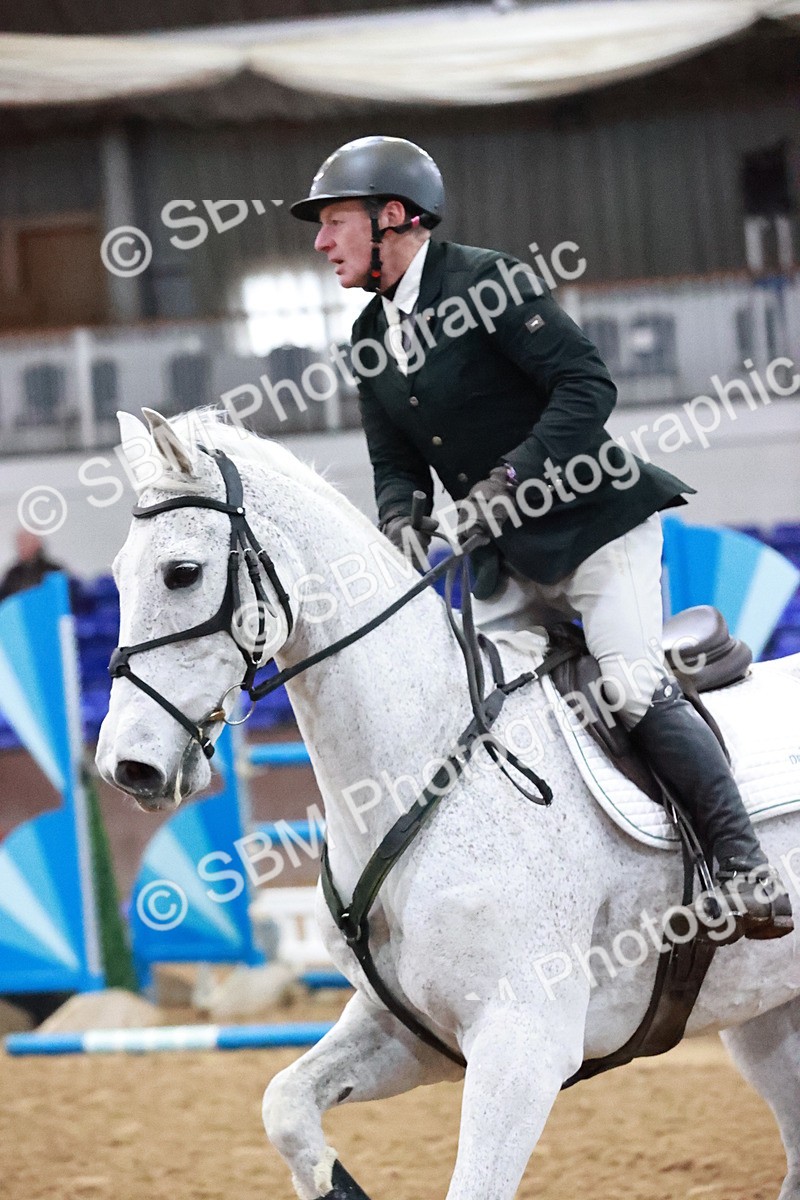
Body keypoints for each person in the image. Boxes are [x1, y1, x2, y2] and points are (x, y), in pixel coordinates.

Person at [291, 135, 792, 940]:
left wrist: (510, 481)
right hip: (506, 563)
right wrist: (398, 517)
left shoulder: (487, 281)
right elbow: (395, 462)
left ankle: (742, 863)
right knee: (461, 707)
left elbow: (586, 384)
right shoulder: (369, 339)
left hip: (595, 529)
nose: (320, 242)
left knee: (626, 682)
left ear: (393, 217)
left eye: (335, 222)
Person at [0, 528, 63, 603]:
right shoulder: (13, 575)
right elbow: (4, 601)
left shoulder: (53, 570)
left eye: (26, 542)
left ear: (37, 544)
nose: (22, 547)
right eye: (20, 543)